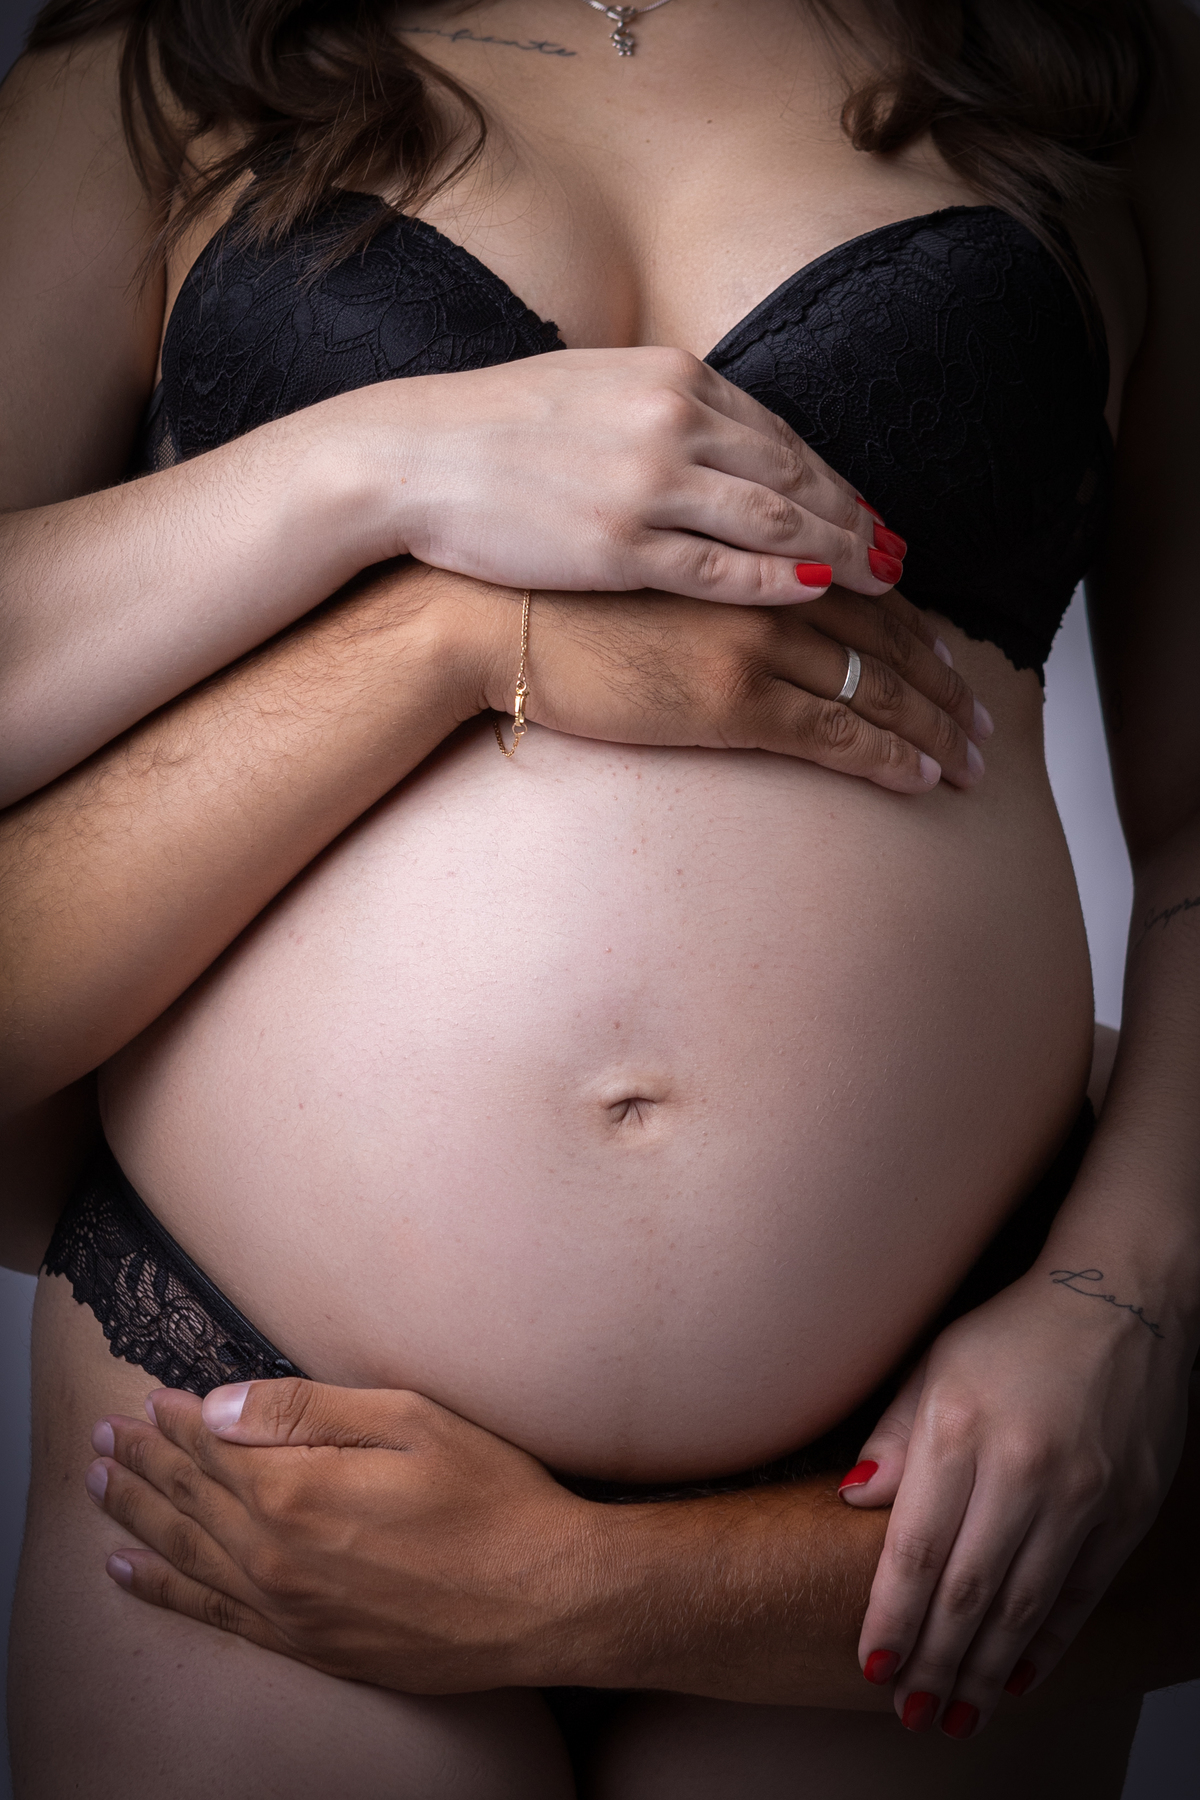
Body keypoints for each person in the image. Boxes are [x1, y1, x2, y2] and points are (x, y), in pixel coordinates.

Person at [2, 0, 1198, 1794]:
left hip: (922, 1448)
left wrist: (1123, 1297)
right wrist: (377, 468)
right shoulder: (160, 74)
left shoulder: (1102, 79)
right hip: (247, 1416)